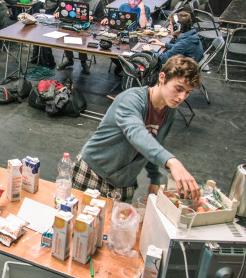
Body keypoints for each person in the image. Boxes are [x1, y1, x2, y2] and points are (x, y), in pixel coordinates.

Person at [73, 55, 201, 202]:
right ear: (162, 77)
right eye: (178, 89)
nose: (181, 97)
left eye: (188, 92)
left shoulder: (169, 111)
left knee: (121, 218)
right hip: (93, 172)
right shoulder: (131, 99)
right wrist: (172, 162)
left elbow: (154, 144)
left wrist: (154, 179)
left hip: (124, 182)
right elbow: (137, 134)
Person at [57, 0, 107, 72]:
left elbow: (101, 18)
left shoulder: (97, 1)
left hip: (89, 28)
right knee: (65, 35)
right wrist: (60, 14)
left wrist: (93, 18)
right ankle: (69, 59)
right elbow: (69, 13)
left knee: (82, 38)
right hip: (75, 25)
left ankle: (83, 62)